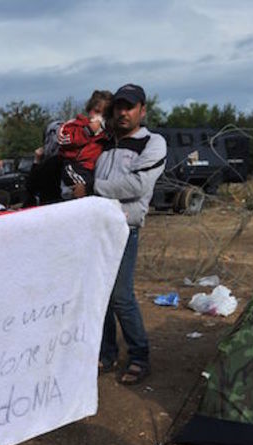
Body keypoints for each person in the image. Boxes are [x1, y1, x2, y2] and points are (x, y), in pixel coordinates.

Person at [73, 83, 166, 385]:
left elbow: (137, 186)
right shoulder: (105, 143)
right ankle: (106, 353)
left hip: (125, 228)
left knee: (120, 296)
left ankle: (140, 356)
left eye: (130, 107)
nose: (123, 112)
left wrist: (91, 189)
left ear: (143, 110)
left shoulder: (152, 142)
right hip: (94, 229)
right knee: (97, 293)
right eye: (119, 107)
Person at [58, 90, 113, 200]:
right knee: (82, 189)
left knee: (92, 190)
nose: (99, 117)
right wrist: (87, 132)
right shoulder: (77, 124)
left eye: (104, 114)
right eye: (97, 111)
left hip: (91, 170)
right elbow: (63, 139)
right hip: (74, 165)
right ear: (89, 109)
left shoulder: (105, 133)